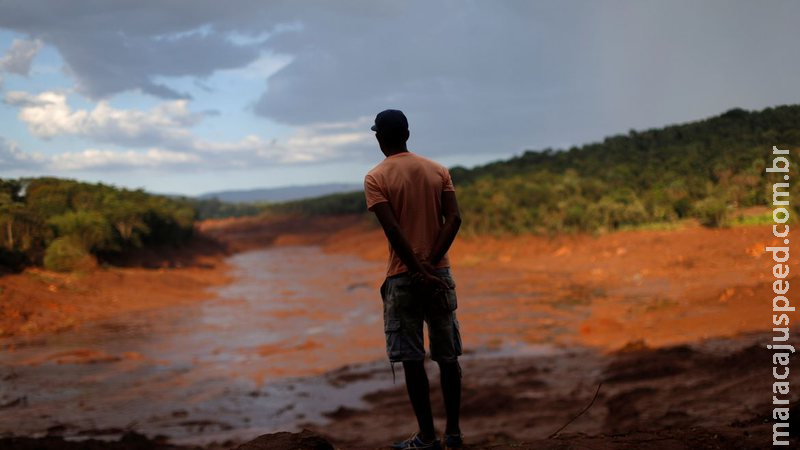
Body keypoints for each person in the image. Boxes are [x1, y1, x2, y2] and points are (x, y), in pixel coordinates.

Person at [363, 109, 464, 450]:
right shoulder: (438, 171)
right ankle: (453, 434)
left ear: (379, 138)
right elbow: (454, 218)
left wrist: (418, 270)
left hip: (404, 278)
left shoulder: (376, 178)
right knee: (448, 357)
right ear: (408, 133)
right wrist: (431, 266)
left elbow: (392, 229)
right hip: (439, 275)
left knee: (412, 359)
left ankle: (427, 438)